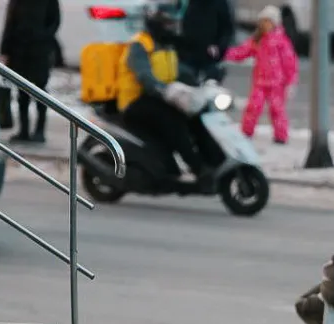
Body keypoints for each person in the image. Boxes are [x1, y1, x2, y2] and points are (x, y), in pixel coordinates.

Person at [116, 2, 214, 189]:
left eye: (173, 24)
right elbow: (145, 76)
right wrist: (164, 90)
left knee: (195, 116)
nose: (171, 28)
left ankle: (211, 160)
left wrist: (201, 80)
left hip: (158, 97)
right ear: (156, 23)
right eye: (167, 24)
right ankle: (196, 168)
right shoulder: (140, 45)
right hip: (136, 100)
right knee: (173, 122)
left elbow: (179, 71)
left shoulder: (166, 46)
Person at [223, 6, 297, 144]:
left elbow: (289, 63)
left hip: (276, 83)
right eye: (263, 22)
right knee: (253, 108)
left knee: (277, 110)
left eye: (267, 22)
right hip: (260, 82)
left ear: (274, 23)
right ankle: (246, 132)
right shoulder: (257, 40)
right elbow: (242, 51)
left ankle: (281, 135)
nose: (265, 25)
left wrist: (290, 81)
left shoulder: (282, 41)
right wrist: (225, 54)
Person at [0, 0, 61, 144]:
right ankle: (24, 131)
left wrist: (43, 38)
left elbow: (54, 21)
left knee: (40, 91)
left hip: (40, 52)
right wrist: (5, 50)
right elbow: (10, 23)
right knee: (22, 92)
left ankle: (40, 131)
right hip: (19, 51)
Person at [178, 0, 235, 83]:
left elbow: (227, 29)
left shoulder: (220, 3)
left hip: (211, 56)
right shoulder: (192, 3)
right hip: (190, 54)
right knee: (187, 82)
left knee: (211, 84)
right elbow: (186, 25)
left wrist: (219, 47)